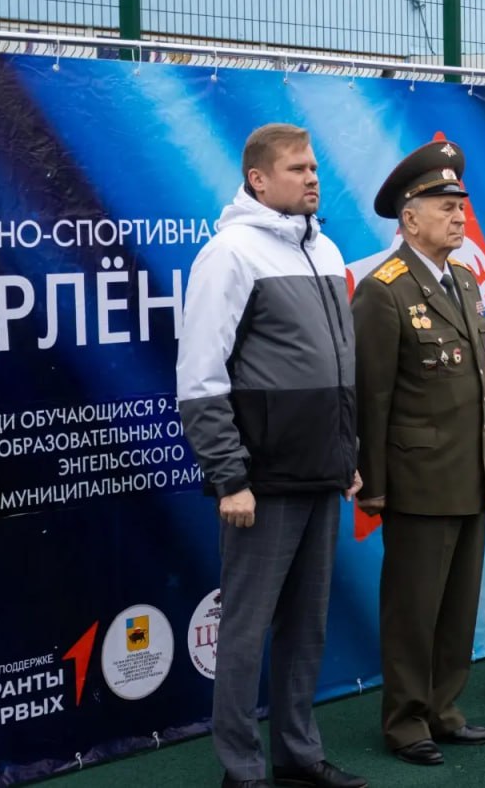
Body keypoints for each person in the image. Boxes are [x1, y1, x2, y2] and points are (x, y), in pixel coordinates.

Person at [176, 124, 366, 788]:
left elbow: (341, 370)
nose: (312, 177)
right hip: (259, 484)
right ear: (258, 179)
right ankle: (241, 772)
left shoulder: (326, 248)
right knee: (246, 633)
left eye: (314, 167)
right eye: (297, 169)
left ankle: (298, 757)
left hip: (322, 472)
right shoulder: (229, 254)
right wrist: (230, 478)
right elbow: (200, 378)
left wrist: (351, 454)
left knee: (306, 630)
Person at [351, 141, 485, 766]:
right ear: (409, 218)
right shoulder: (384, 291)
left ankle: (445, 709)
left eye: (461, 203)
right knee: (413, 610)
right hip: (416, 479)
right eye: (444, 205)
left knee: (458, 605)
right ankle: (406, 721)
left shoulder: (463, 280)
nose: (459, 214)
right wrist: (376, 486)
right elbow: (372, 398)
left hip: (469, 474)